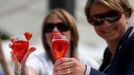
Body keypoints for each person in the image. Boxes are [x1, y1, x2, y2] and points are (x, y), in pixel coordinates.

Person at [53, 0, 134, 75]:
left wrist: (87, 72)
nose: (106, 24)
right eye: (97, 19)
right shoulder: (108, 53)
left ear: (127, 15)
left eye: (112, 16)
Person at [10, 8, 98, 75]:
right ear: (44, 36)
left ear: (73, 34)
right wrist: (21, 64)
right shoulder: (39, 60)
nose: (55, 30)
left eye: (62, 26)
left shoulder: (87, 63)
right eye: (49, 27)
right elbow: (29, 72)